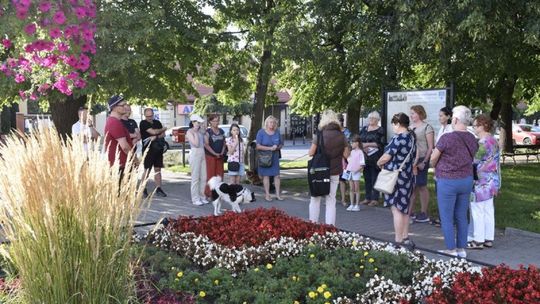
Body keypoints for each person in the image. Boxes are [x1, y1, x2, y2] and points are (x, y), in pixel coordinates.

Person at [430, 105, 478, 258]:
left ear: (455, 119)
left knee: (446, 216)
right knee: (461, 215)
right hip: (466, 180)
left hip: (447, 181)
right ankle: (461, 249)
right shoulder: (472, 138)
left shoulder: (447, 138)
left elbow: (433, 158)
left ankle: (451, 249)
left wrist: (435, 165)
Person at [376, 113, 416, 248]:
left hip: (395, 177)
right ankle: (405, 237)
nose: (392, 127)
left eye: (393, 124)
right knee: (404, 208)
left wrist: (379, 162)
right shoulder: (411, 138)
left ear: (398, 124)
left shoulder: (398, 138)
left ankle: (397, 241)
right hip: (407, 176)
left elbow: (386, 156)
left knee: (396, 209)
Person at [308, 110, 348, 225]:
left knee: (315, 198)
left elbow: (311, 153)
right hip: (335, 171)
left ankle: (313, 224)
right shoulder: (341, 135)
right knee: (331, 200)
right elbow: (346, 154)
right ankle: (330, 227)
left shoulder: (319, 134)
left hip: (319, 170)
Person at [467, 114, 500, 249]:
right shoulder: (494, 141)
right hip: (492, 180)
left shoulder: (482, 143)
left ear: (483, 126)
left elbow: (474, 161)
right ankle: (488, 238)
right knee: (488, 210)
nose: (474, 128)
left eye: (475, 126)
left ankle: (478, 240)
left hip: (480, 182)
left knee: (477, 210)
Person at [409, 105, 434, 223]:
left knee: (422, 185)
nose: (411, 115)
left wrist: (425, 162)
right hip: (411, 159)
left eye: (413, 113)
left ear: (419, 113)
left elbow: (430, 147)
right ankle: (410, 212)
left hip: (422, 158)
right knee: (412, 186)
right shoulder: (409, 128)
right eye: (411, 113)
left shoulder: (427, 127)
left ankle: (424, 212)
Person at [139, 108, 168, 197]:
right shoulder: (143, 123)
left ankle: (158, 188)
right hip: (148, 150)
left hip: (158, 149)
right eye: (147, 116)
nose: (149, 118)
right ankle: (143, 188)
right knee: (147, 170)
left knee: (158, 169)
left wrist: (155, 137)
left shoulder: (157, 122)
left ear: (153, 114)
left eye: (151, 116)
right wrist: (162, 129)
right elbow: (154, 131)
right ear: (145, 115)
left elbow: (163, 134)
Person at [360, 111, 385, 206]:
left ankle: (375, 198)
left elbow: (381, 144)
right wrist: (362, 147)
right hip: (365, 157)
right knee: (367, 178)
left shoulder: (380, 130)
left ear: (377, 120)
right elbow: (359, 140)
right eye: (370, 118)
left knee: (375, 177)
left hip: (375, 157)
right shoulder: (364, 129)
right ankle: (367, 197)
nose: (371, 120)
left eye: (374, 118)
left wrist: (368, 144)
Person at [256, 115, 284, 201]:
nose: (272, 124)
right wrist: (269, 148)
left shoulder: (277, 132)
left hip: (275, 157)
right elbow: (258, 146)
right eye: (270, 122)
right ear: (267, 123)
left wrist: (277, 147)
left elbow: (281, 144)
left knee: (277, 176)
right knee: (266, 176)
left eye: (274, 122)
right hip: (265, 158)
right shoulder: (261, 132)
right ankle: (267, 195)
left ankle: (278, 194)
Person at [104, 96, 134, 173]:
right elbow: (125, 147)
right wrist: (135, 160)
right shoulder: (115, 122)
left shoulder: (114, 121)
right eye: (123, 105)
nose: (126, 107)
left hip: (119, 165)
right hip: (119, 166)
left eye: (126, 104)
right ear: (114, 107)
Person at [186, 114, 209, 206]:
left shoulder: (200, 131)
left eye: (199, 122)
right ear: (193, 122)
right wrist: (196, 132)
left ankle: (202, 196)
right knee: (195, 177)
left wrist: (204, 132)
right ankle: (195, 199)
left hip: (202, 153)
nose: (199, 124)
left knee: (204, 177)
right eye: (197, 122)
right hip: (195, 153)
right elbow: (195, 144)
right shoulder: (189, 132)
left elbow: (206, 142)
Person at [204, 114, 226, 198]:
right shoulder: (208, 132)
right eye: (214, 121)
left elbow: (224, 143)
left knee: (219, 175)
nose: (216, 122)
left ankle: (218, 192)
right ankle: (209, 193)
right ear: (210, 122)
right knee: (210, 175)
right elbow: (206, 145)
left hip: (220, 156)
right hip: (210, 157)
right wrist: (214, 153)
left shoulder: (221, 131)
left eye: (217, 120)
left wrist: (222, 152)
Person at [344, 135, 365, 212]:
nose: (351, 144)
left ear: (357, 143)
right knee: (351, 188)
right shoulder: (351, 152)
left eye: (353, 142)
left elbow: (362, 164)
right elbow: (349, 160)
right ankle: (352, 204)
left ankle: (357, 205)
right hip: (350, 172)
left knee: (356, 188)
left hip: (356, 172)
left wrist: (356, 170)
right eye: (351, 142)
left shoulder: (360, 152)